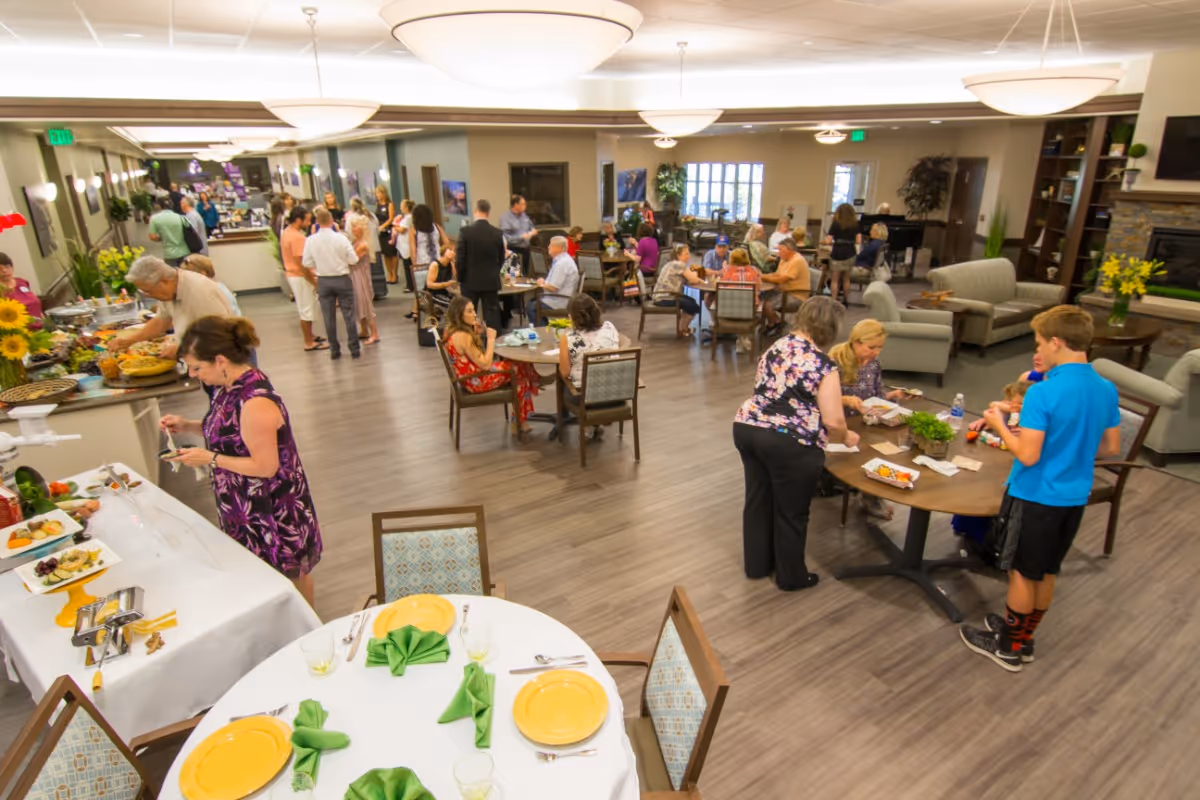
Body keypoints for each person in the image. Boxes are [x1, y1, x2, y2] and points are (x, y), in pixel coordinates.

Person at [960, 305, 1122, 672]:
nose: (1039, 351)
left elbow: (1028, 455)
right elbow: (1111, 447)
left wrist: (998, 423)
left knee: (1020, 571)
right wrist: (1070, 449)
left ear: (1056, 342)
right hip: (1074, 496)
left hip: (1034, 494)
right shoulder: (1105, 388)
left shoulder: (1043, 393)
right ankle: (1023, 639)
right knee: (1047, 571)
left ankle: (1006, 648)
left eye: (1039, 343)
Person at [162, 316, 321, 607]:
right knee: (262, 574)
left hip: (272, 507)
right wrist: (188, 425)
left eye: (197, 367)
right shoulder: (227, 387)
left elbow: (265, 467)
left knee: (290, 575)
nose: (194, 374)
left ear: (220, 360)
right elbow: (231, 434)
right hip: (245, 502)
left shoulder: (254, 401)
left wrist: (209, 458)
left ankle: (307, 628)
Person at [733, 296, 859, 591]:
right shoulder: (823, 364)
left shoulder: (775, 347)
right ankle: (791, 577)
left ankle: (757, 566)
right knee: (792, 512)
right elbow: (833, 421)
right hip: (789, 442)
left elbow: (771, 391)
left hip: (748, 428)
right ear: (829, 328)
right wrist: (846, 437)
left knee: (758, 501)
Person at [829, 320, 911, 520]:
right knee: (868, 450)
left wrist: (895, 395)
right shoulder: (834, 361)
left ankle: (871, 494)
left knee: (889, 445)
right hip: (838, 423)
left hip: (866, 421)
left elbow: (877, 395)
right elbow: (818, 398)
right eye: (871, 347)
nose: (876, 352)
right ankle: (869, 495)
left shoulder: (874, 364)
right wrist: (846, 400)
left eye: (880, 347)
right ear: (855, 342)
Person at [443, 296, 540, 438]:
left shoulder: (450, 331)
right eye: (469, 312)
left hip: (465, 378)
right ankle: (533, 386)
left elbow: (466, 355)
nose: (475, 314)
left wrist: (476, 332)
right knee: (519, 371)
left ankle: (521, 416)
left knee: (518, 366)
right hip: (475, 381)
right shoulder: (464, 336)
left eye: (474, 310)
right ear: (459, 315)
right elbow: (486, 364)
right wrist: (491, 339)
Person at [108, 256, 233, 358]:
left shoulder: (200, 290)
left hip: (226, 358)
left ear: (164, 281)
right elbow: (161, 321)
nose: (150, 296)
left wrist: (182, 348)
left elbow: (219, 334)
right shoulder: (169, 291)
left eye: (149, 291)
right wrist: (128, 341)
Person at [302, 207, 360, 360]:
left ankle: (334, 350)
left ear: (317, 222)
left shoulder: (310, 240)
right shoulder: (341, 238)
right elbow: (354, 259)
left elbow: (306, 262)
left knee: (328, 317)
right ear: (331, 221)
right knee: (349, 314)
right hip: (342, 278)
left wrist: (318, 270)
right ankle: (354, 348)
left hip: (324, 280)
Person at [280, 207, 326, 352]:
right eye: (306, 219)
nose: (309, 222)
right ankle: (308, 342)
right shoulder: (296, 237)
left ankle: (310, 336)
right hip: (300, 276)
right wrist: (313, 280)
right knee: (306, 308)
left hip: (294, 275)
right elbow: (302, 263)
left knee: (306, 307)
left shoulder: (287, 232)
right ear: (298, 219)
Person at [457, 199, 505, 331]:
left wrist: (460, 278)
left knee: (467, 312)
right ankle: (494, 341)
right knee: (492, 313)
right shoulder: (497, 233)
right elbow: (501, 257)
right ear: (488, 213)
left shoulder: (465, 232)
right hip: (490, 279)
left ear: (475, 211)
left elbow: (460, 258)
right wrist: (495, 271)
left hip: (470, 280)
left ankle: (468, 339)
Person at [652, 243, 705, 337]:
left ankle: (683, 328)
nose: (688, 256)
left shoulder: (672, 264)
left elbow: (691, 280)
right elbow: (693, 279)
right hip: (664, 297)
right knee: (693, 306)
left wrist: (699, 280)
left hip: (663, 295)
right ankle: (682, 329)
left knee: (690, 301)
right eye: (686, 254)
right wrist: (701, 280)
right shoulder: (679, 265)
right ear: (678, 255)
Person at [760, 238, 811, 333]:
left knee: (766, 305)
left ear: (789, 250)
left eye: (781, 250)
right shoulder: (784, 259)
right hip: (784, 291)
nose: (778, 253)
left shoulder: (797, 261)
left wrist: (762, 277)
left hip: (796, 295)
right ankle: (775, 322)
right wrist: (762, 275)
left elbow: (782, 279)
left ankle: (776, 323)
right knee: (761, 298)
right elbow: (776, 274)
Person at [407, 204, 448, 320]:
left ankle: (424, 312)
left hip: (422, 264)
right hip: (438, 263)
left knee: (421, 289)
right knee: (434, 288)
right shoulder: (437, 227)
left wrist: (414, 265)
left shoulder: (414, 230)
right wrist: (440, 251)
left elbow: (413, 251)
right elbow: (447, 242)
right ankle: (416, 310)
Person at [529, 236, 579, 325]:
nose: (548, 247)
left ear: (559, 248)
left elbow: (553, 288)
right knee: (532, 302)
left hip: (560, 300)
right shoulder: (563, 260)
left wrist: (542, 284)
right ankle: (546, 327)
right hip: (560, 297)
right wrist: (544, 281)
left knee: (531, 307)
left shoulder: (562, 264)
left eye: (550, 245)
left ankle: (543, 333)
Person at [347, 215, 380, 345]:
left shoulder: (363, 244)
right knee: (358, 301)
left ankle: (374, 333)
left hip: (360, 275)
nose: (353, 229)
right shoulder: (356, 241)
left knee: (365, 302)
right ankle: (364, 330)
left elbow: (352, 260)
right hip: (355, 274)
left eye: (355, 226)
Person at [826, 203, 862, 304]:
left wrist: (833, 241)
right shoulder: (856, 224)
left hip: (837, 252)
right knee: (846, 279)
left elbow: (828, 241)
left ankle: (833, 300)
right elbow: (858, 241)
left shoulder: (836, 224)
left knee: (835, 279)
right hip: (850, 252)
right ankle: (846, 300)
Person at [0, 253, 44, 324]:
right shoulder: (1, 290)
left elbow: (34, 302)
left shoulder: (22, 282)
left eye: (7, 267)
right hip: (19, 331)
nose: (4, 271)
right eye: (0, 268)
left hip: (40, 327)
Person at [499, 195, 537, 275]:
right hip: (513, 250)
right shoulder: (506, 218)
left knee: (525, 274)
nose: (525, 206)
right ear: (516, 205)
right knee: (513, 274)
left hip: (526, 249)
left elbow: (531, 227)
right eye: (523, 204)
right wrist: (521, 237)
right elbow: (505, 237)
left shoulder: (524, 216)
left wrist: (532, 231)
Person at [148, 197, 190, 266]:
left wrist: (162, 237)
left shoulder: (154, 219)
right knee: (185, 273)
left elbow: (152, 236)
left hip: (169, 253)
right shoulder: (181, 217)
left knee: (172, 274)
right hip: (184, 251)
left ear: (159, 206)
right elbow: (190, 231)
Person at [374, 185, 399, 284]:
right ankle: (389, 274)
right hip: (381, 233)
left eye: (379, 193)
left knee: (392, 253)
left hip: (389, 231)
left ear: (384, 193)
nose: (378, 195)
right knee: (385, 254)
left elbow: (391, 218)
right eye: (376, 193)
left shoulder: (389, 204)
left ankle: (394, 274)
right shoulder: (378, 204)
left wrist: (383, 226)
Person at [426, 245, 458, 315]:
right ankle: (453, 324)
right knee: (453, 306)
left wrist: (453, 262)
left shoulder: (450, 264)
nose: (452, 252)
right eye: (450, 250)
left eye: (454, 251)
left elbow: (456, 278)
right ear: (443, 252)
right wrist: (445, 284)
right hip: (433, 294)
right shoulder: (435, 265)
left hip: (445, 292)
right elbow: (429, 284)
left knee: (461, 302)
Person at [393, 199, 414, 289]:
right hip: (404, 245)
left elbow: (402, 230)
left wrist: (395, 225)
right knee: (406, 266)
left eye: (402, 205)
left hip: (407, 245)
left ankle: (411, 286)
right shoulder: (405, 217)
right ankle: (410, 284)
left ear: (406, 207)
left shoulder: (409, 217)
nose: (400, 207)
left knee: (408, 267)